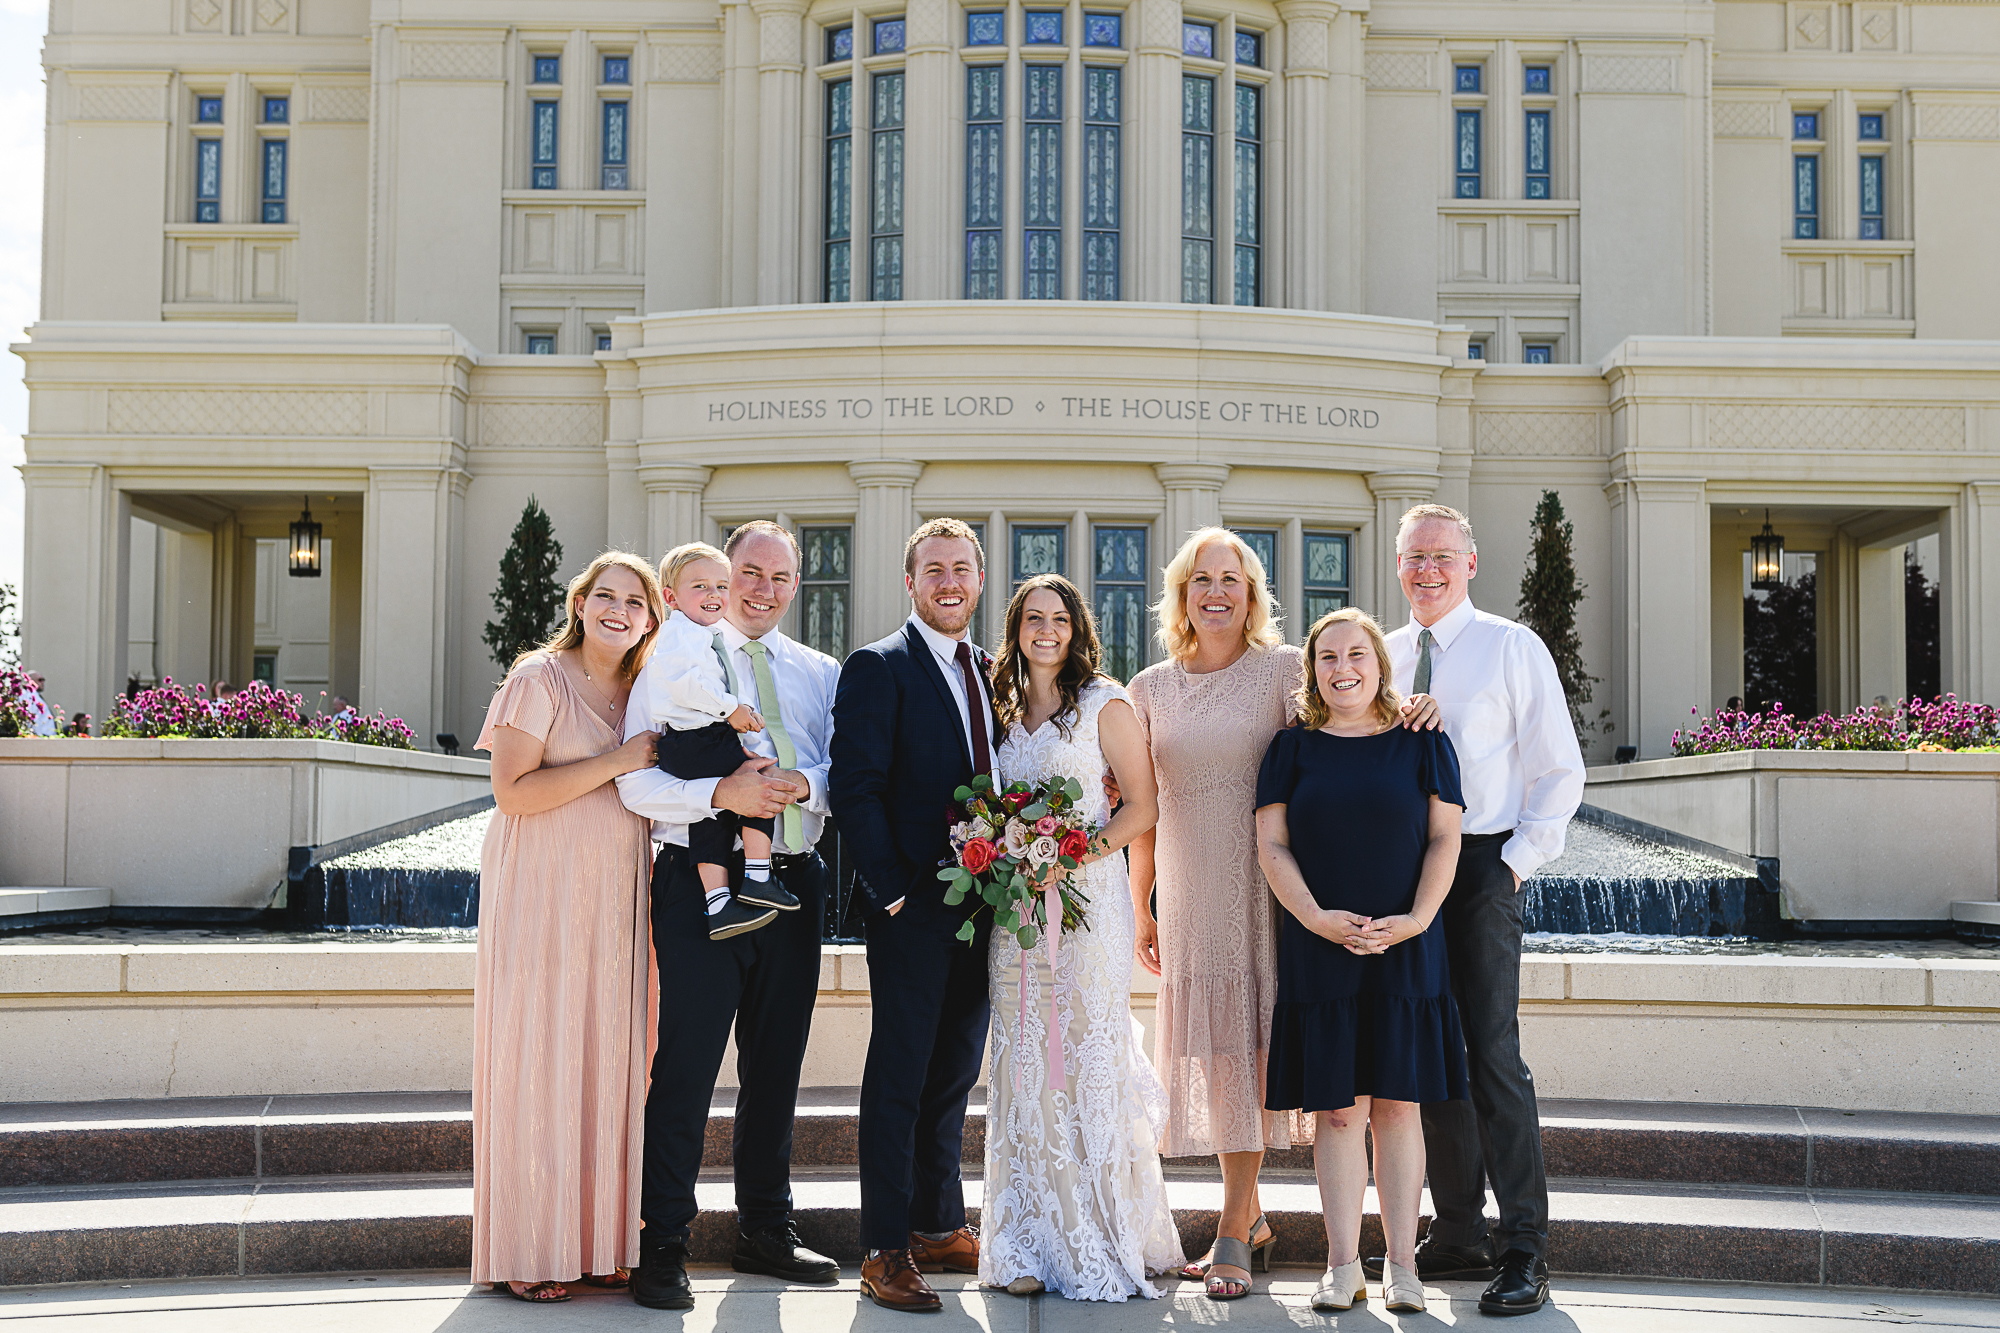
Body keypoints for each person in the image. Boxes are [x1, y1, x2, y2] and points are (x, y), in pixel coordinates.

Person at [616, 520, 842, 1310]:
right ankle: (662, 1243)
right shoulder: (669, 659)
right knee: (685, 1066)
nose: (761, 589)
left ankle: (765, 1229)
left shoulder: (820, 672)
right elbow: (636, 783)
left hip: (793, 882)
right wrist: (723, 791)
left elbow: (846, 771)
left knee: (776, 1067)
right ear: (719, 574)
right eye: (749, 572)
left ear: (795, 585)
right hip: (698, 881)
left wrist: (803, 786)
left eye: (780, 577)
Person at [1385, 502, 1585, 1317]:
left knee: (1493, 1053)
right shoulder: (1385, 655)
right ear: (1398, 565)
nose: (1427, 570)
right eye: (1414, 556)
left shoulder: (1511, 646)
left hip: (1481, 864)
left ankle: (1524, 1245)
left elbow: (1560, 769)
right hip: (1402, 871)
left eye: (1442, 555)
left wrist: (1513, 864)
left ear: (1470, 562)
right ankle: (1459, 1229)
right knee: (1432, 1050)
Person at [978, 574, 1186, 1301]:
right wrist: (1005, 849)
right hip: (1016, 913)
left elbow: (1143, 804)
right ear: (1016, 628)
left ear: (1076, 629)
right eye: (1033, 618)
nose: (1046, 630)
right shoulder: (999, 707)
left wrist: (1067, 856)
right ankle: (1023, 1240)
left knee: (1085, 1054)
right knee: (1023, 1061)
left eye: (1059, 619)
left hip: (1087, 905)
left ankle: (1097, 1230)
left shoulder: (1105, 702)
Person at [1256, 608, 1468, 1315]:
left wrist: (1418, 920)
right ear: (1311, 670)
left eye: (1356, 655)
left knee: (1400, 1108)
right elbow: (1271, 844)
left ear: (1381, 664)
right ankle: (1341, 1266)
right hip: (1321, 949)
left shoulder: (1423, 742)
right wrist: (1315, 918)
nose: (1342, 668)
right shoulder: (1290, 748)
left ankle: (1403, 1267)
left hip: (1406, 947)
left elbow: (1444, 839)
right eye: (1327, 657)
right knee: (1340, 1114)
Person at [471, 550, 665, 1303]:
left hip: (617, 902)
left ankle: (596, 1242)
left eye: (635, 602)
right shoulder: (538, 678)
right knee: (539, 1058)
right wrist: (619, 760)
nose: (619, 610)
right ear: (580, 604)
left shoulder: (645, 689)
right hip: (541, 896)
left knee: (608, 1063)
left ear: (650, 619)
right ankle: (528, 1246)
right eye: (606, 596)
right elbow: (512, 792)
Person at [1123, 527, 1301, 1300]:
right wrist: (1142, 906)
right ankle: (1251, 1216)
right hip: (1189, 893)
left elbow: (1337, 746)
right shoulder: (1148, 688)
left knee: (1249, 1047)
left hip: (1264, 887)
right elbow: (1143, 809)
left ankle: (1232, 1224)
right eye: (1202, 578)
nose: (1217, 591)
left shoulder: (1284, 672)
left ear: (1251, 592)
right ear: (1182, 594)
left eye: (1231, 577)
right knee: (1219, 1048)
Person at [831, 517, 998, 1313]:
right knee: (899, 1077)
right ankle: (883, 1248)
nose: (949, 582)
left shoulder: (989, 670)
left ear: (979, 579)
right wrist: (892, 891)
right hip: (912, 911)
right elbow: (854, 786)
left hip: (984, 907)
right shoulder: (878, 666)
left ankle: (937, 1223)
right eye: (934, 569)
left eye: (962, 568)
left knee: (954, 1073)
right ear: (911, 581)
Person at [632, 540, 788, 942]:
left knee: (709, 816)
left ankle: (719, 904)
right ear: (671, 598)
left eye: (721, 586)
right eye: (700, 586)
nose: (714, 594)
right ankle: (758, 877)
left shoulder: (699, 635)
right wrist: (731, 708)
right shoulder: (679, 635)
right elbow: (687, 685)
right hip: (696, 739)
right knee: (759, 783)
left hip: (703, 740)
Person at [24, 671, 56, 736]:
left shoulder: (36, 696)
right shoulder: (29, 697)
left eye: (43, 680)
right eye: (40, 680)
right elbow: (32, 718)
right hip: (39, 736)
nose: (42, 682)